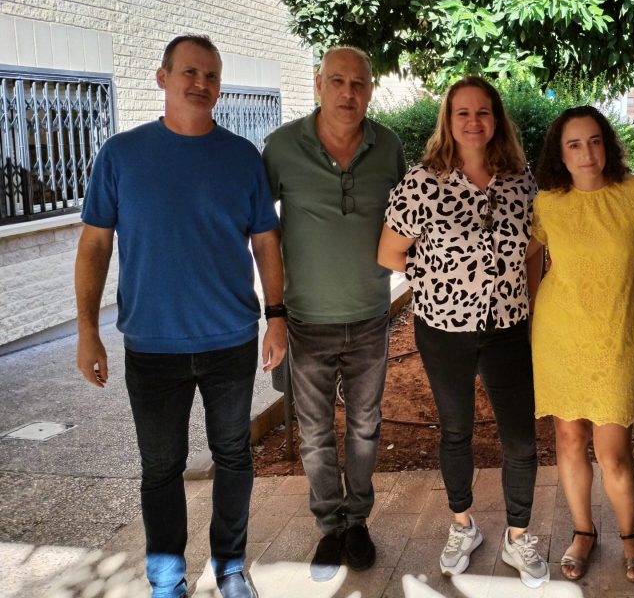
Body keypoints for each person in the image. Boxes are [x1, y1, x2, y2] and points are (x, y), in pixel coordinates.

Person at [74, 35, 286, 598]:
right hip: (152, 346)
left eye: (211, 76)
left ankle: (231, 567)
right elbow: (95, 244)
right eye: (190, 72)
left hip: (230, 341)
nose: (201, 84)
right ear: (162, 77)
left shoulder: (241, 157)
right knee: (161, 468)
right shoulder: (121, 155)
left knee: (233, 456)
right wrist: (87, 331)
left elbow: (266, 242)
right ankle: (167, 579)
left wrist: (277, 317)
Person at [377, 76, 548, 588]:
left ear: (497, 120)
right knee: (455, 431)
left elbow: (534, 250)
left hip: (507, 328)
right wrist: (439, 280)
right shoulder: (422, 182)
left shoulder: (521, 181)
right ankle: (463, 526)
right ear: (448, 121)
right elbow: (389, 253)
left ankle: (519, 536)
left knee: (520, 438)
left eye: (483, 112)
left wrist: (532, 307)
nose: (474, 121)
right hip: (443, 329)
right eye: (463, 113)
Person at [261, 46, 406, 580]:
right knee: (315, 433)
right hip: (305, 319)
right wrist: (274, 313)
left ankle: (358, 521)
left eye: (360, 83)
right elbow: (260, 231)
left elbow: (407, 220)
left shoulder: (388, 147)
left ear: (370, 90)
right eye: (338, 81)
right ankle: (330, 526)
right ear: (318, 84)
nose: (349, 92)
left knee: (365, 427)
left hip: (369, 315)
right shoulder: (282, 147)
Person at [529, 105, 634, 584]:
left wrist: (617, 306)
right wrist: (533, 309)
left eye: (595, 141)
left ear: (607, 144)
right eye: (574, 144)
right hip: (560, 334)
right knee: (568, 439)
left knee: (614, 450)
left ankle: (630, 534)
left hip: (616, 335)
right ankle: (583, 531)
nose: (587, 153)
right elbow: (533, 257)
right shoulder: (547, 202)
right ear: (560, 155)